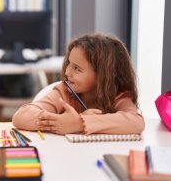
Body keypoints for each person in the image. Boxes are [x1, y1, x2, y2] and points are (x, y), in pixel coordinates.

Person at [12, 33, 145, 135]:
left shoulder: (118, 96)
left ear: (103, 76)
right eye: (69, 63)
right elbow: (21, 116)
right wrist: (59, 122)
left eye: (77, 68)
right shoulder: (65, 92)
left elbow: (136, 122)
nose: (67, 71)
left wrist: (79, 123)